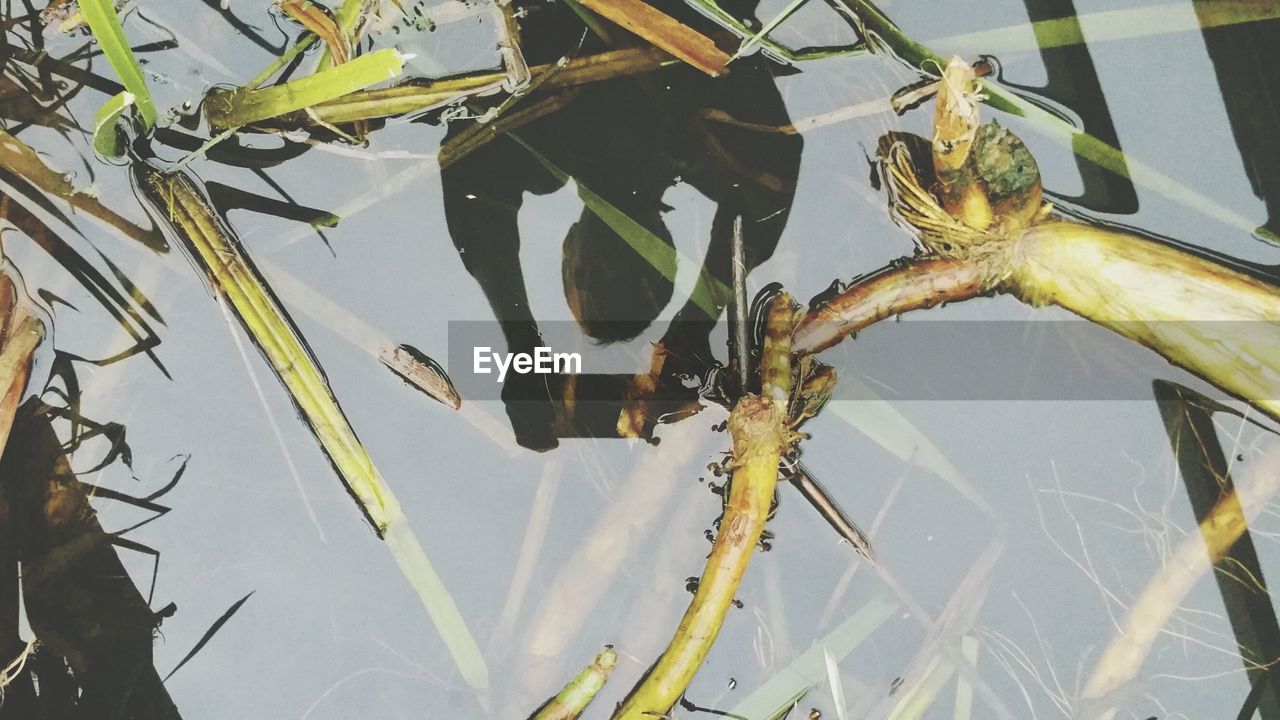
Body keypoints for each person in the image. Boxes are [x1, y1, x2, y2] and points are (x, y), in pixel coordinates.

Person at [440, 0, 802, 450]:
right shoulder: (545, 130)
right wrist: (520, 339)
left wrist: (696, 323)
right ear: (572, 253)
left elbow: (771, 192)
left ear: (667, 251)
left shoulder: (694, 142)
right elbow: (468, 181)